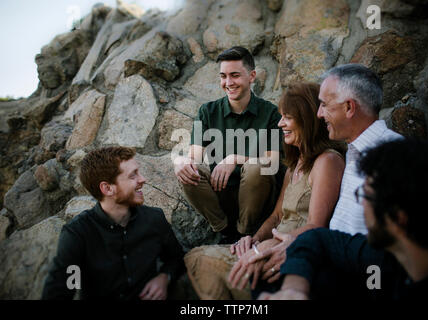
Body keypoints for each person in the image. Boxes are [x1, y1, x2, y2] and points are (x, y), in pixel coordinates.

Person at [184, 82, 346, 299]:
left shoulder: (327, 161)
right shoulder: (295, 166)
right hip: (267, 245)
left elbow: (317, 225)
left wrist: (264, 249)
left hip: (292, 256)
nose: (280, 124)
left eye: (288, 117)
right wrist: (252, 239)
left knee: (199, 259)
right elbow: (277, 216)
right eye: (281, 117)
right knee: (193, 259)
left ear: (307, 120)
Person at [260, 138, 428, 300]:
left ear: (399, 219)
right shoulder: (380, 260)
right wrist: (293, 289)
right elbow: (317, 239)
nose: (361, 206)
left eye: (365, 196)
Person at [42, 147, 184, 300]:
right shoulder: (77, 234)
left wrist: (164, 277)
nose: (143, 179)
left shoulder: (154, 218)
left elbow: (176, 259)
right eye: (133, 175)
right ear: (107, 188)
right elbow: (59, 291)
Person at [173, 46, 283, 243]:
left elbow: (273, 161)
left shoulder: (271, 114)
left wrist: (234, 159)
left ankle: (245, 232)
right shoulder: (208, 111)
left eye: (235, 75)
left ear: (251, 76)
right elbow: (194, 157)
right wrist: (182, 161)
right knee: (188, 171)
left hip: (256, 197)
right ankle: (223, 230)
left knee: (257, 166)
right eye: (223, 76)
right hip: (221, 193)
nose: (228, 83)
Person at [315, 63, 402, 236]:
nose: (319, 114)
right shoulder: (354, 149)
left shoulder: (394, 157)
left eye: (324, 104)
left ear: (349, 107)